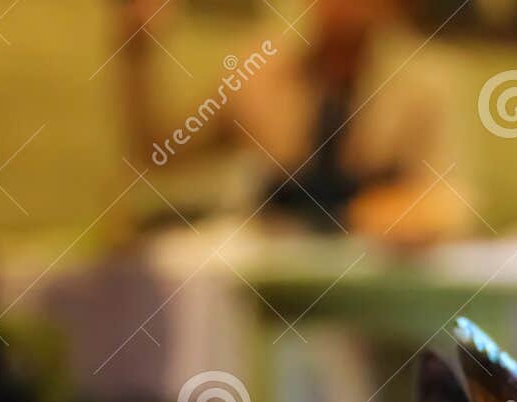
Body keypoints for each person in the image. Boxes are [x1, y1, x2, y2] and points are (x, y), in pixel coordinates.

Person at [118, 0, 471, 244]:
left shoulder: (422, 84)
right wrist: (139, 53)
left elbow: (449, 204)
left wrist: (355, 218)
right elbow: (159, 154)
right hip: (270, 295)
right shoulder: (262, 70)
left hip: (373, 300)